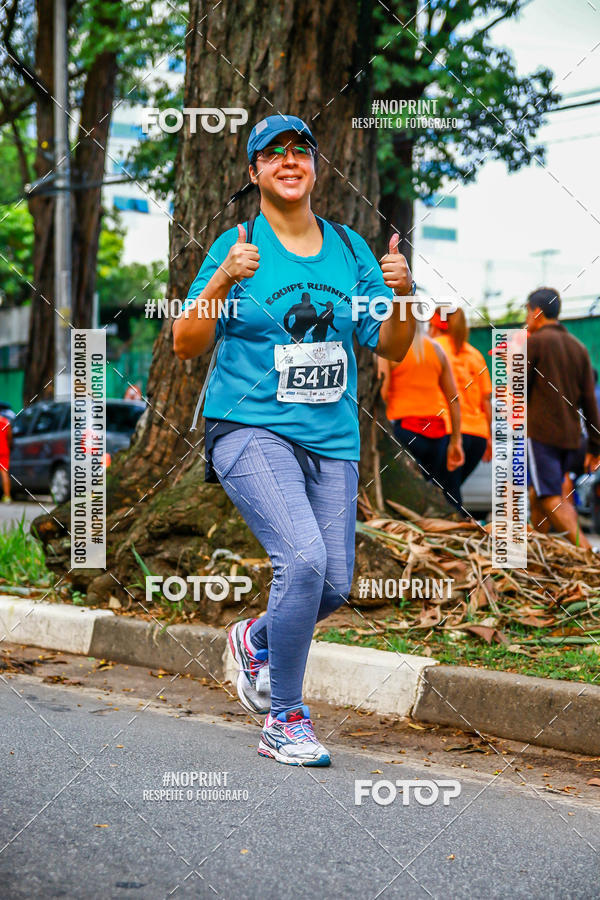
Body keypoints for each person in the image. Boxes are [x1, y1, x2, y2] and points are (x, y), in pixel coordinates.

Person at [173, 113, 416, 766]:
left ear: (315, 166)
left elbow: (389, 343)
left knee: (332, 583)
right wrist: (224, 278)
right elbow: (184, 343)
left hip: (331, 439)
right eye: (272, 153)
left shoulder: (347, 247)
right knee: (302, 561)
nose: (288, 160)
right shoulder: (240, 241)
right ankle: (285, 719)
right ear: (254, 172)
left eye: (300, 150)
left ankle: (254, 638)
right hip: (248, 430)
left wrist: (404, 297)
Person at [525, 288, 600, 548]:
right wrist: (595, 445)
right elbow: (590, 401)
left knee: (549, 496)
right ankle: (537, 551)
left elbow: (517, 386)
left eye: (527, 312)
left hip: (542, 436)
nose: (526, 319)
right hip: (572, 438)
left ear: (536, 312)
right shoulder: (578, 348)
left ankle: (588, 552)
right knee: (537, 494)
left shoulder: (534, 343)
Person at [377, 322, 464, 508]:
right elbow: (454, 399)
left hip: (406, 430)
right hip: (438, 433)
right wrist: (456, 441)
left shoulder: (389, 349)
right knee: (437, 488)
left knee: (409, 489)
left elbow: (381, 393)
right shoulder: (436, 349)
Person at [430, 306, 492, 512]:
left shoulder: (434, 348)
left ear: (434, 324)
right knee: (449, 488)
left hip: (449, 433)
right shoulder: (475, 355)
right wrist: (490, 439)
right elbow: (486, 403)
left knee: (448, 491)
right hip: (478, 436)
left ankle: (454, 528)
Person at [0, 413, 12, 503]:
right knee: (4, 473)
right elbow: (9, 437)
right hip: (4, 450)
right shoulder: (5, 421)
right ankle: (7, 496)